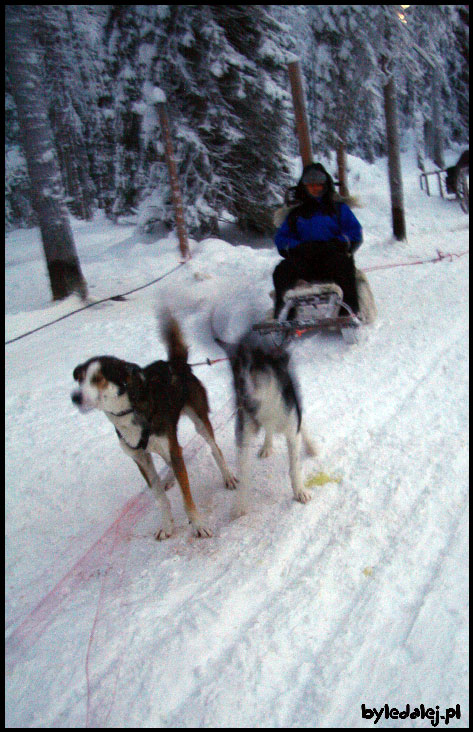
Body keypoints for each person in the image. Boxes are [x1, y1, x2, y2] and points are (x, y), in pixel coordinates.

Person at [272, 162, 363, 318]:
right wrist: (297, 247)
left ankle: (349, 310)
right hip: (304, 260)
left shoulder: (339, 209)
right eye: (310, 185)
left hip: (332, 257)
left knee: (345, 267)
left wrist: (339, 242)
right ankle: (284, 312)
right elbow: (282, 238)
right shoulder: (296, 214)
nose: (315, 188)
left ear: (325, 185)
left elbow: (355, 232)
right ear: (304, 187)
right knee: (282, 271)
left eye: (318, 185)